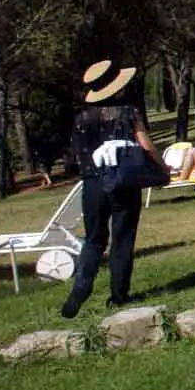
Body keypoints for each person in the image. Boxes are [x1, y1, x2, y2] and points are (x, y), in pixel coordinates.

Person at [62, 61, 169, 318]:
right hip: (123, 180)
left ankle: (80, 289)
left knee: (94, 239)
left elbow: (73, 158)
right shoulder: (127, 112)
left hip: (93, 184)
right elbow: (146, 145)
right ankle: (118, 295)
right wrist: (163, 169)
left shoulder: (81, 118)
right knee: (122, 238)